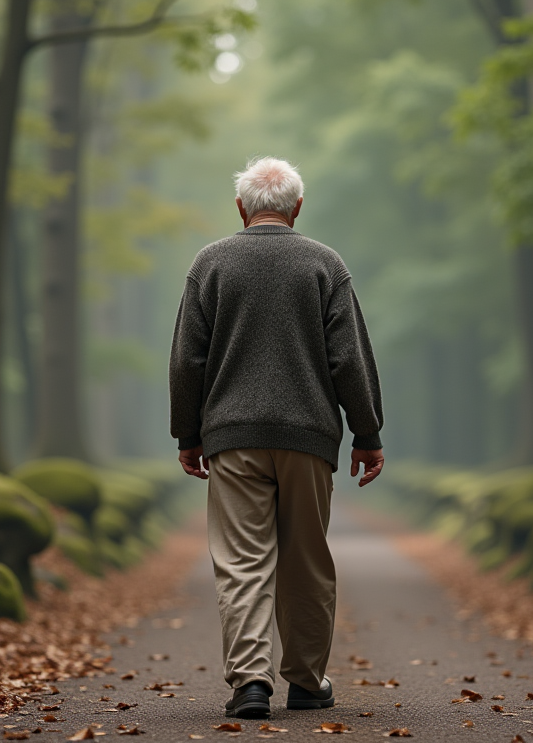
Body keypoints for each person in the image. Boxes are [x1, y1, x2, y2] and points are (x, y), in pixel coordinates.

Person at [169, 156, 386, 719]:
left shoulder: (210, 264)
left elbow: (187, 361)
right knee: (305, 560)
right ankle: (308, 682)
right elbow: (349, 361)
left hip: (232, 438)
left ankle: (251, 683)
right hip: (309, 436)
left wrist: (187, 434)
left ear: (241, 207)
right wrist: (367, 433)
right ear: (298, 207)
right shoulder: (324, 265)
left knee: (242, 562)